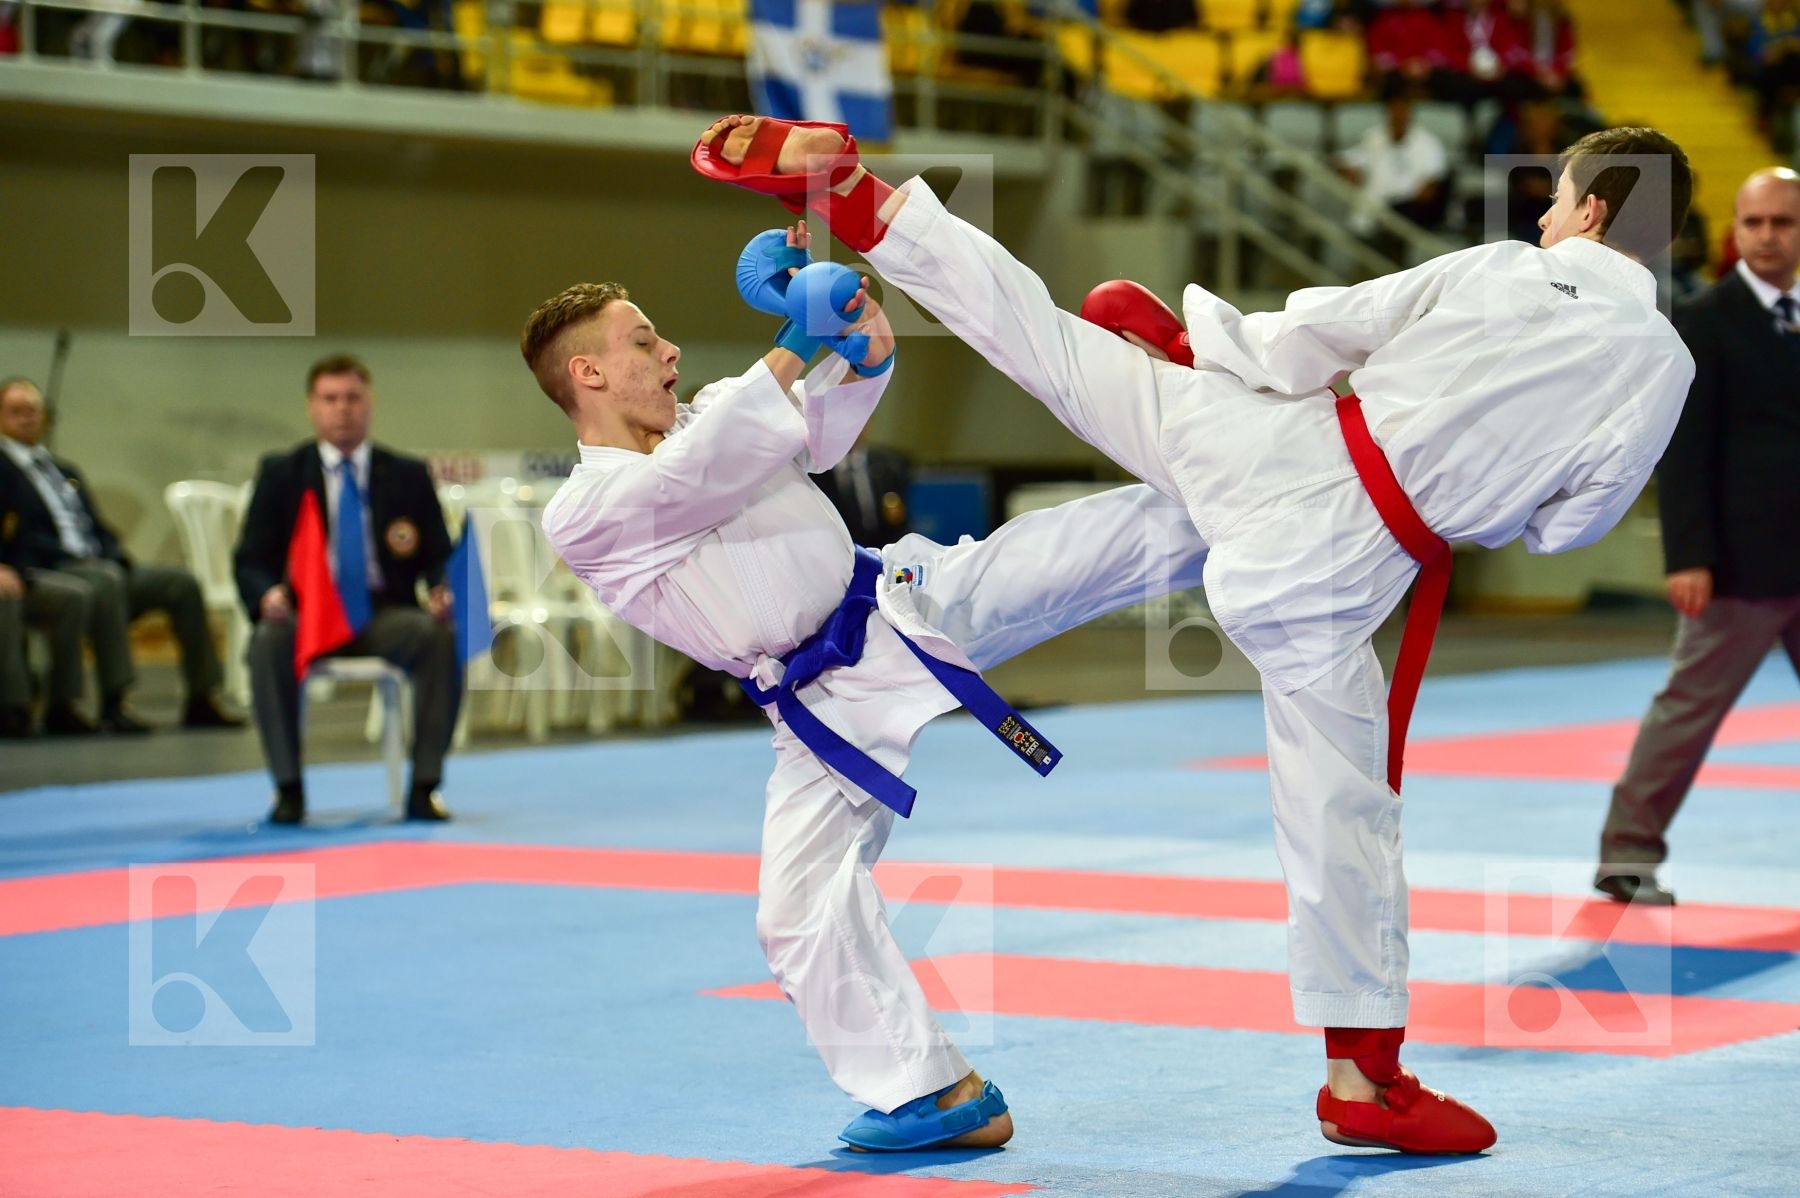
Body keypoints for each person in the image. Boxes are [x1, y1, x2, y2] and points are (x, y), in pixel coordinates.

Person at [694, 112, 1695, 1154]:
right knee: (1341, 815)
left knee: (1052, 347)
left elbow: (1325, 331)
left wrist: (1207, 348)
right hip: (1336, 570)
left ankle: (857, 196)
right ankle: (1363, 1073)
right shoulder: (1661, 365)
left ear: (1591, 206)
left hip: (1260, 444)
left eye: (1555, 195)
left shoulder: (1497, 268)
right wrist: (1490, 498)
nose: (1540, 213)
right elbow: (1569, 526)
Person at [522, 224, 1208, 1151]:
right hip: (815, 706)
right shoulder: (585, 511)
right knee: (798, 914)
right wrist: (796, 340)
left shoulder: (717, 410)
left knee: (1082, 550)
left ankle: (1255, 492)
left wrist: (843, 310)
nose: (670, 349)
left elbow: (840, 395)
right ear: (588, 378)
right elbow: (695, 477)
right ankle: (935, 1092)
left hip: (898, 603)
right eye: (642, 341)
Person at [1595, 167, 1800, 905]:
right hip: (1737, 562)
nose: (1769, 235)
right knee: (1687, 712)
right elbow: (1683, 448)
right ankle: (1628, 854)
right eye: (1755, 223)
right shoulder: (1706, 320)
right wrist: (1687, 555)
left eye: (1783, 222)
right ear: (1734, 232)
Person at [234, 354, 458, 825]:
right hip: (307, 613)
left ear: (370, 404)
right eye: (330, 399)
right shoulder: (281, 473)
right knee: (267, 641)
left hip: (382, 614)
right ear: (311, 407)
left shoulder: (407, 475)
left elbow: (439, 553)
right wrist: (265, 596)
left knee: (438, 637)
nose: (342, 409)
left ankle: (424, 787)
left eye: (353, 398)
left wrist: (443, 588)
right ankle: (288, 790)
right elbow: (251, 559)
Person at [0, 377, 242, 734]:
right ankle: (116, 700)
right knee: (105, 579)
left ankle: (203, 696)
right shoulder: (4, 470)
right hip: (52, 569)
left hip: (99, 565)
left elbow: (96, 526)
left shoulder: (62, 470)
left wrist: (113, 553)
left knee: (180, 583)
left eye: (33, 411)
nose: (27, 418)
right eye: (16, 412)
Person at [0, 472, 90, 737]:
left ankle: (62, 705)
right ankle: (13, 707)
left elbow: (18, 537)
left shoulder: (6, 477)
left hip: (11, 573)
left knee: (71, 597)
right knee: (5, 598)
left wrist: (13, 569)